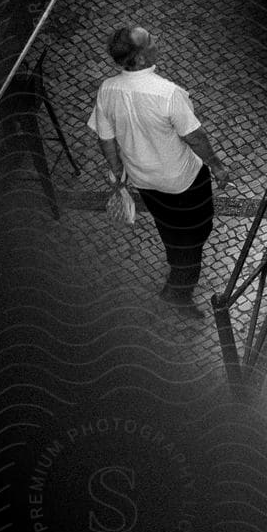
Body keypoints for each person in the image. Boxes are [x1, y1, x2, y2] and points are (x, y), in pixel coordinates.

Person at [88, 26, 232, 319]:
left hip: (145, 182)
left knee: (168, 227)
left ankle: (176, 261)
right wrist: (217, 166)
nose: (158, 41)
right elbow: (195, 137)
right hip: (184, 181)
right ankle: (178, 290)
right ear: (140, 59)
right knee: (196, 234)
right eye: (151, 41)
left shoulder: (107, 89)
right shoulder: (168, 94)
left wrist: (118, 174)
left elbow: (106, 138)